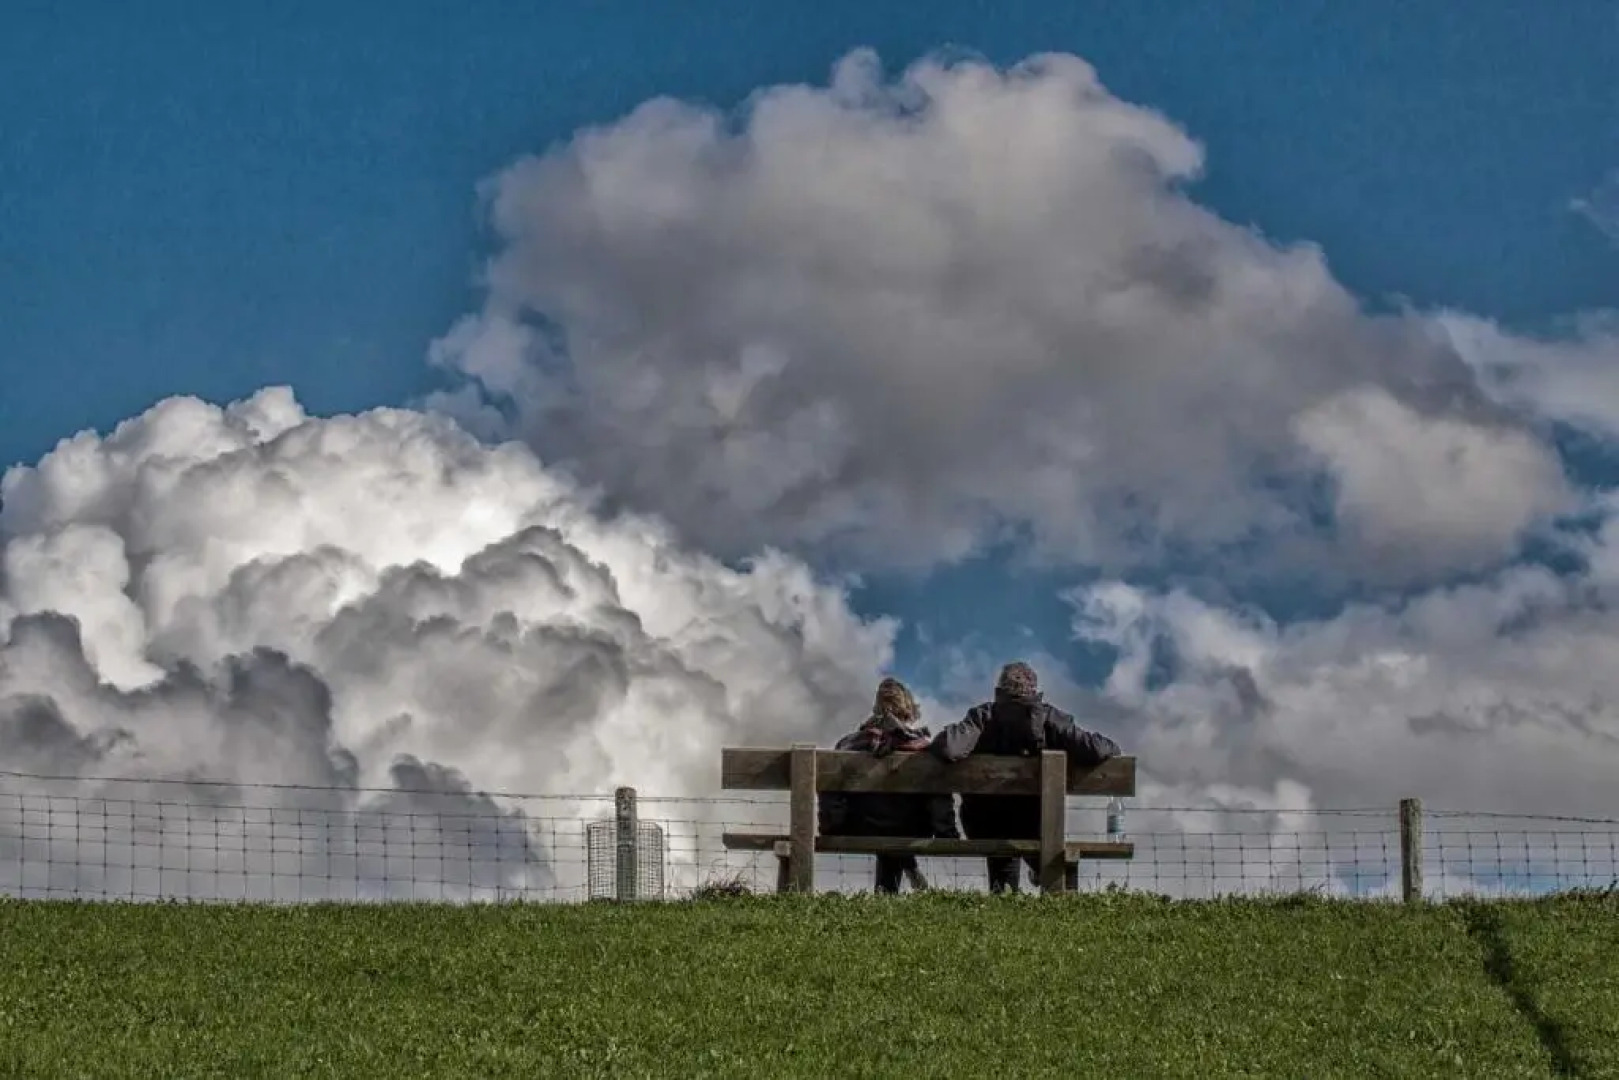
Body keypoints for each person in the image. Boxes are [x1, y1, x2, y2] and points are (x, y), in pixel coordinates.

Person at [930, 661, 1121, 894]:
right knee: (1053, 857)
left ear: (999, 690)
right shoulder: (1048, 718)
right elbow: (1100, 749)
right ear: (1034, 690)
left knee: (1003, 845)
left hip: (984, 824)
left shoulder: (983, 717)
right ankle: (1056, 903)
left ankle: (1005, 903)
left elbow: (949, 748)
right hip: (1034, 824)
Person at [818, 677, 960, 893]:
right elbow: (938, 797)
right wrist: (947, 834)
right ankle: (900, 876)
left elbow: (831, 790)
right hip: (911, 828)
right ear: (909, 710)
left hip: (861, 827)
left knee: (882, 816)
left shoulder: (849, 744)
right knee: (897, 820)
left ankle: (889, 890)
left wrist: (832, 827)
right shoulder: (922, 749)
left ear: (876, 708)